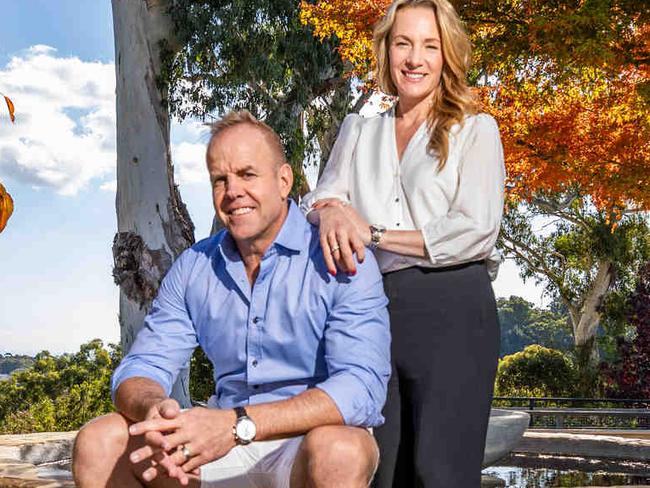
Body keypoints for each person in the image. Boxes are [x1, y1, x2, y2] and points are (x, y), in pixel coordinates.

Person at [72, 110, 391, 488]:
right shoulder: (195, 267)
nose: (233, 191)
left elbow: (362, 388)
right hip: (217, 440)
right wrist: (153, 407)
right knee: (100, 441)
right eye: (219, 180)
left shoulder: (338, 255)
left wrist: (238, 423)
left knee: (342, 449)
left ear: (284, 180)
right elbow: (141, 366)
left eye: (247, 174)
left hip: (305, 442)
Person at [301, 1, 505, 486]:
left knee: (439, 472)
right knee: (379, 469)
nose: (415, 58)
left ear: (447, 55)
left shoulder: (475, 130)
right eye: (403, 43)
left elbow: (475, 229)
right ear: (386, 52)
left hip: (452, 306)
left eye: (430, 46)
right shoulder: (359, 130)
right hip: (369, 311)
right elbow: (323, 196)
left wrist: (372, 234)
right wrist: (329, 210)